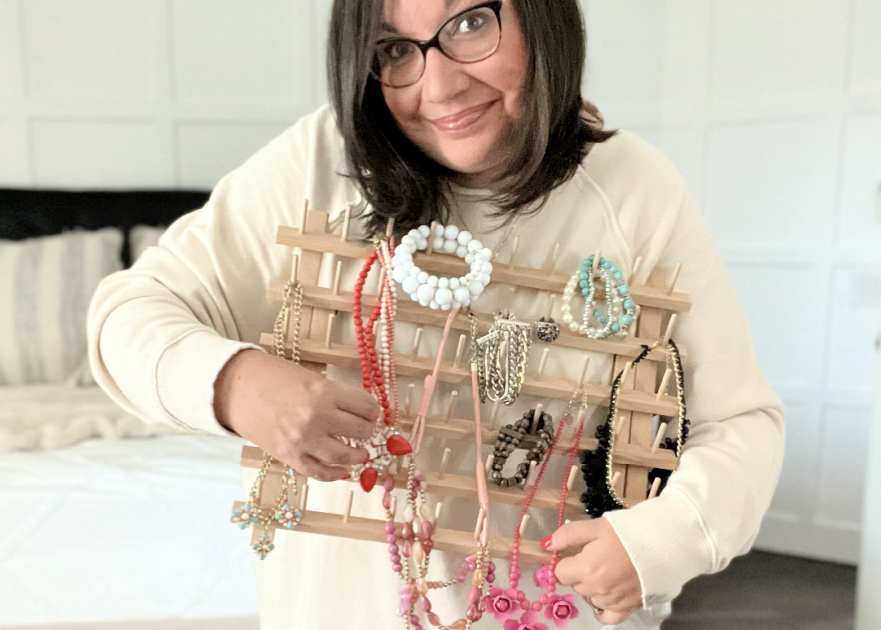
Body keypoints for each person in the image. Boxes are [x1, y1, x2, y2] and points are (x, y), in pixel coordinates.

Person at [87, 0, 784, 628]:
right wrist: (237, 384)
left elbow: (738, 423)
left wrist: (658, 543)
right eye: (395, 50)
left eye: (472, 24)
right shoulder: (318, 163)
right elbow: (127, 315)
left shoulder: (636, 193)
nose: (440, 86)